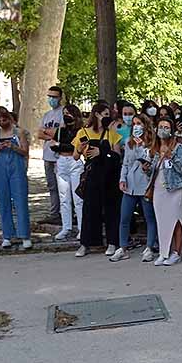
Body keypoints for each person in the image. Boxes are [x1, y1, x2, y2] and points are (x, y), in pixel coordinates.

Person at [73, 103, 123, 257]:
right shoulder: (83, 132)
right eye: (105, 114)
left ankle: (112, 242)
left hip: (109, 176)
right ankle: (86, 243)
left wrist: (102, 152)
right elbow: (75, 156)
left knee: (111, 210)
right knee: (89, 210)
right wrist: (81, 149)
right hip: (92, 175)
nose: (108, 117)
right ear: (97, 115)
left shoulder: (111, 134)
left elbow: (117, 156)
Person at [111, 114, 158, 262]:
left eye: (140, 124)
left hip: (144, 185)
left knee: (149, 217)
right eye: (135, 124)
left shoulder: (152, 143)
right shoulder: (129, 142)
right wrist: (122, 179)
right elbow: (126, 163)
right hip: (130, 186)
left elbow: (152, 165)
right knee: (124, 217)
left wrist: (143, 151)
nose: (137, 126)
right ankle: (123, 248)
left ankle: (149, 247)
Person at [0, 107, 32, 250]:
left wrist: (13, 147)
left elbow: (25, 152)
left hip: (17, 167)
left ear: (9, 118)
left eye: (5, 119)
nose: (2, 122)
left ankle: (24, 235)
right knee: (3, 201)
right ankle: (7, 235)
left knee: (20, 200)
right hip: (0, 168)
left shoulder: (18, 132)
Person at [150, 116, 182, 266]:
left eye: (166, 127)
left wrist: (170, 155)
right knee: (162, 221)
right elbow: (153, 171)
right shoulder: (154, 148)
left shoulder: (178, 147)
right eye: (161, 127)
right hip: (159, 190)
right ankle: (163, 252)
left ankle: (176, 252)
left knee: (176, 221)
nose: (163, 130)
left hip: (175, 188)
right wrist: (146, 168)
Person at [51, 104, 83, 240]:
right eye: (64, 113)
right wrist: (58, 146)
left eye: (68, 113)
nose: (66, 115)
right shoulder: (60, 130)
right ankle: (66, 227)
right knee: (64, 197)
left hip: (74, 161)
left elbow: (75, 147)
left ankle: (82, 227)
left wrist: (59, 146)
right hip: (62, 161)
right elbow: (53, 145)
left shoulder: (80, 130)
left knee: (78, 198)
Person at [36, 86, 64, 225]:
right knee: (52, 186)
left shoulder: (63, 113)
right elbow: (39, 134)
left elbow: (61, 133)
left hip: (60, 155)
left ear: (60, 98)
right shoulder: (47, 115)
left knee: (63, 186)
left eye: (54, 96)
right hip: (47, 155)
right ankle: (54, 213)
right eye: (50, 96)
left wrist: (49, 132)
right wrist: (51, 132)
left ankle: (66, 213)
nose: (51, 99)